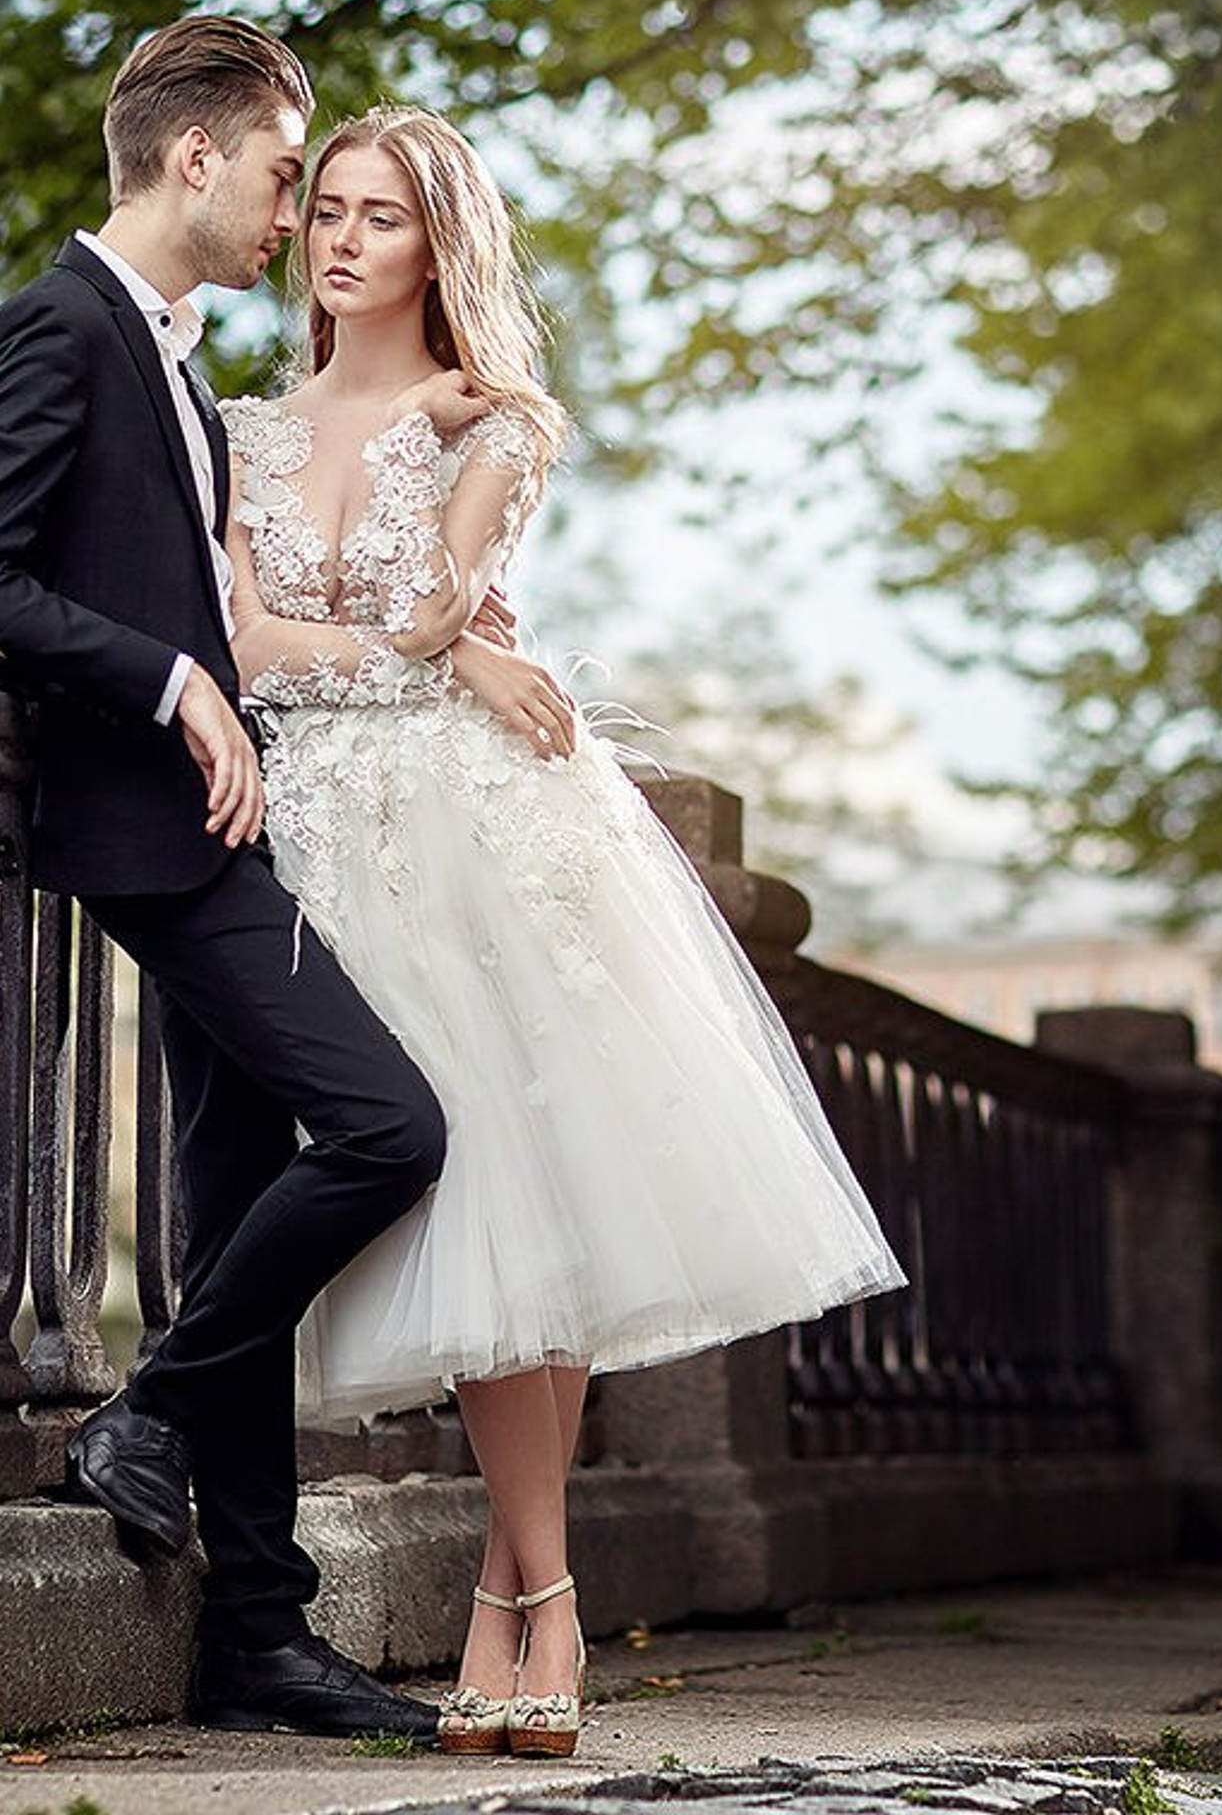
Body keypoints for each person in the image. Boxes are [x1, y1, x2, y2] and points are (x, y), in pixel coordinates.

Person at [219, 103, 907, 1760]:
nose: (341, 239)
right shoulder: (234, 425)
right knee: (442, 1185)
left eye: (383, 217)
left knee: (531, 1183)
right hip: (334, 831)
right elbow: (252, 642)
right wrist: (423, 642)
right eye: (327, 208)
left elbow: (425, 612)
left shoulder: (501, 422)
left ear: (437, 243)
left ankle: (524, 1592)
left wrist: (417, 604)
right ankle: (535, 1584)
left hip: (493, 823)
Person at [0, 17, 496, 1742]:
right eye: (291, 173)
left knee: (230, 1210)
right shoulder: (59, 330)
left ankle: (258, 1632)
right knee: (393, 1130)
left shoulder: (183, 362)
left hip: (232, 827)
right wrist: (169, 677)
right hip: (154, 833)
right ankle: (140, 1414)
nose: (300, 210)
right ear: (195, 158)